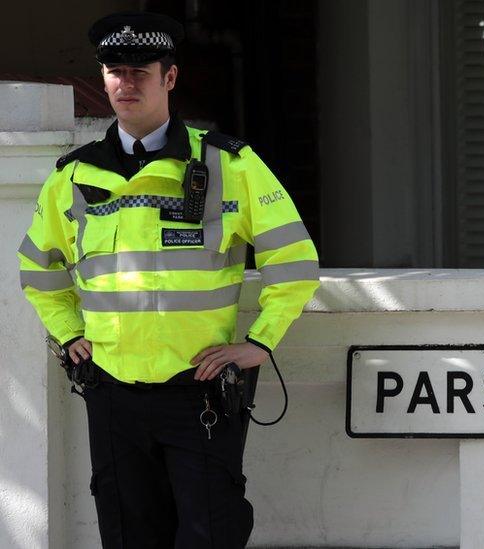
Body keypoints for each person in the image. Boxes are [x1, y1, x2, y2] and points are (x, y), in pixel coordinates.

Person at [17, 11, 320, 548]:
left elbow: (294, 262)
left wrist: (259, 342)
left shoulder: (232, 165)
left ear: (169, 78)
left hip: (198, 394)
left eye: (140, 71)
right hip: (112, 396)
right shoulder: (73, 176)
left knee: (210, 533)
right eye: (114, 69)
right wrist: (68, 335)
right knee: (129, 536)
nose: (125, 83)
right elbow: (39, 270)